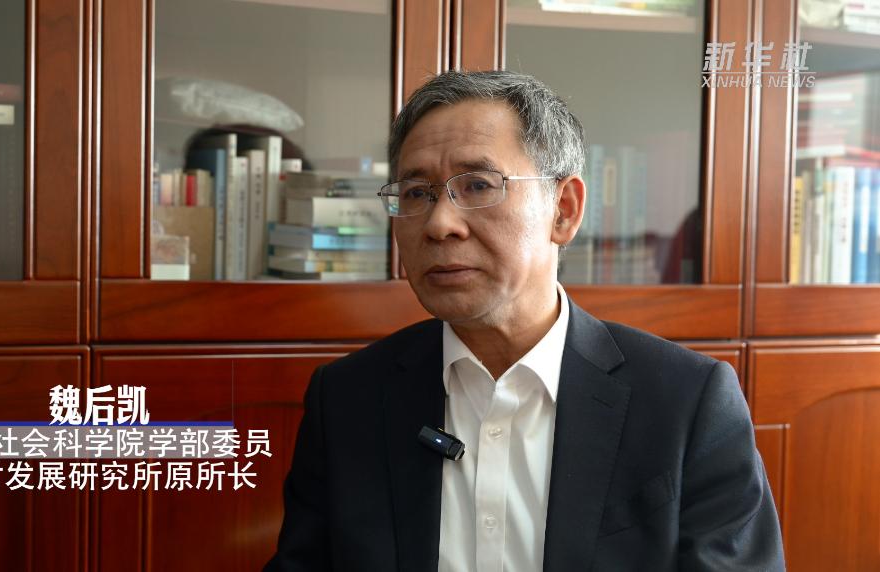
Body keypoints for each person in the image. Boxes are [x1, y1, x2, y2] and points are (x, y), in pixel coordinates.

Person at [264, 70, 784, 571]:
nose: (440, 224)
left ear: (564, 210)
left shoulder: (686, 401)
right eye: (418, 193)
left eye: (477, 185)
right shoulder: (348, 398)